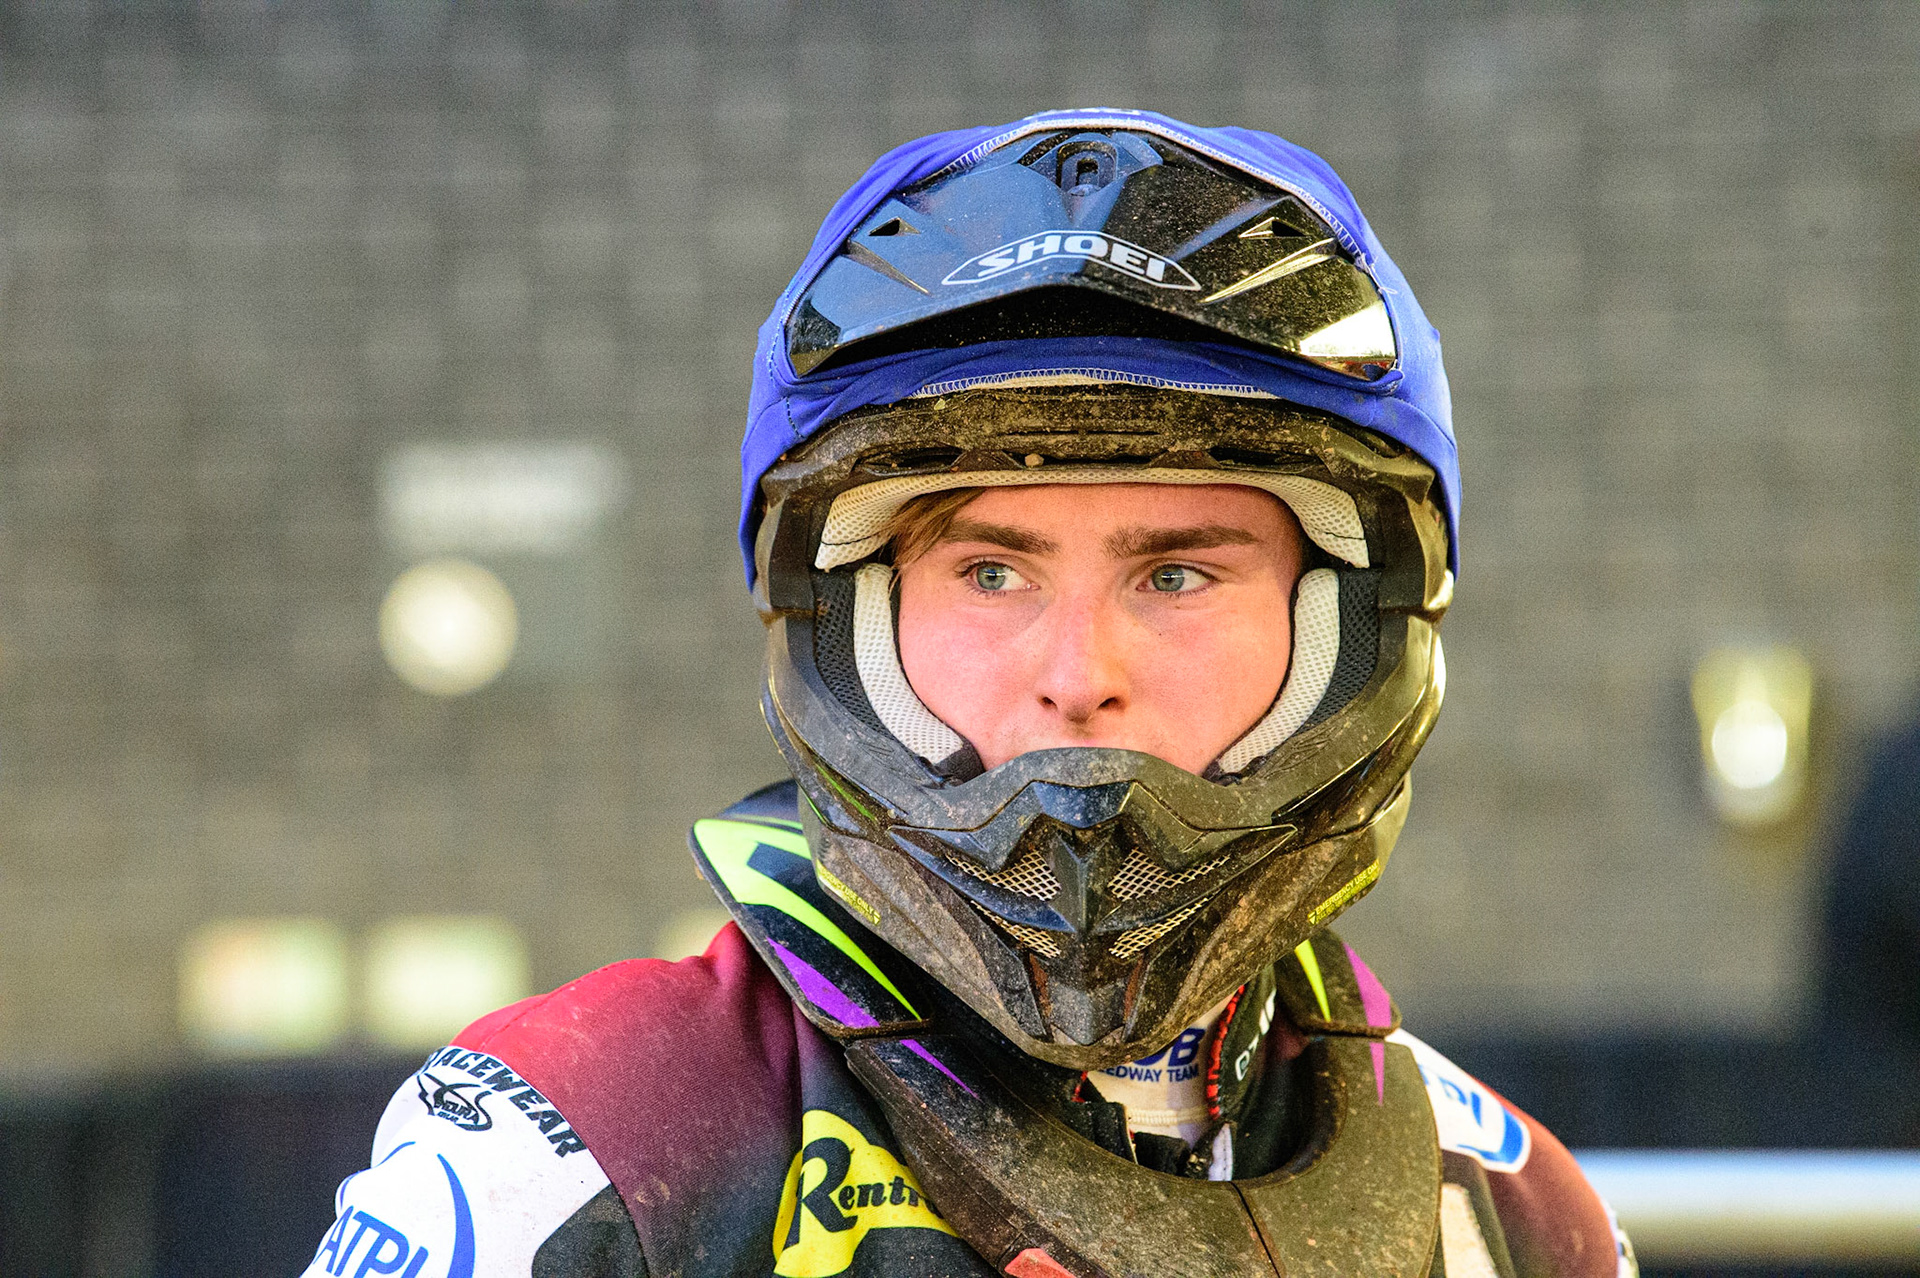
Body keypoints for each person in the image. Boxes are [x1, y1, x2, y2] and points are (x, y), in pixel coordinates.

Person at [303, 110, 1637, 1278]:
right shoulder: (589, 1144)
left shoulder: (1511, 1216)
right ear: (848, 623)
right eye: (992, 572)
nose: (1077, 676)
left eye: (1176, 575)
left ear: (1347, 625)